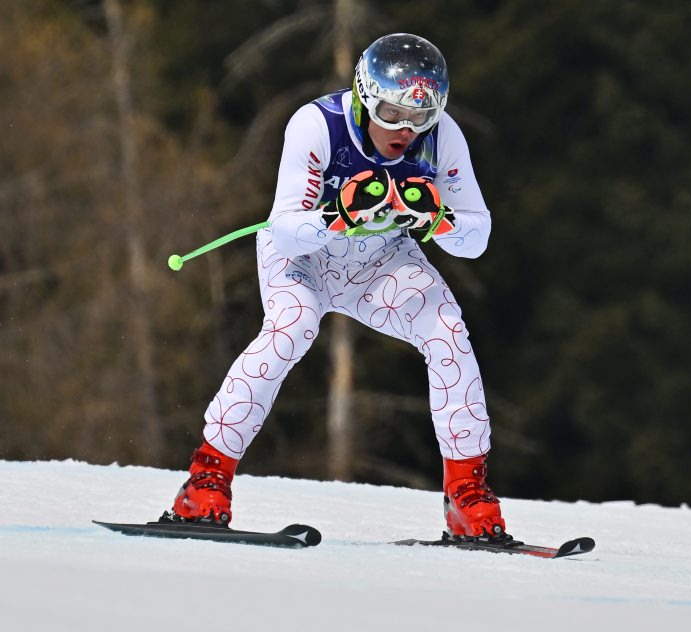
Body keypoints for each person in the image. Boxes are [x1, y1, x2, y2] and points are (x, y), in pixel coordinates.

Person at [168, 33, 506, 541]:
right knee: (291, 330)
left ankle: (466, 494)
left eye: (421, 116)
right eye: (391, 113)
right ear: (365, 98)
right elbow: (285, 229)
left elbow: (476, 237)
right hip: (303, 257)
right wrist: (338, 216)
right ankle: (205, 480)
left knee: (448, 333)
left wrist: (436, 219)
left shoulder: (443, 136)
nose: (406, 130)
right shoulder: (316, 124)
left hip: (380, 263)